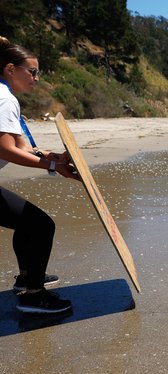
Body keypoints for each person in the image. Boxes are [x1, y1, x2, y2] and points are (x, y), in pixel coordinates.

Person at [0, 36, 78, 313]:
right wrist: (53, 167)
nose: (36, 78)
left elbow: (23, 147)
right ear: (11, 69)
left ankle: (26, 278)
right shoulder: (4, 99)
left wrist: (51, 157)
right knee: (41, 226)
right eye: (32, 72)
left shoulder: (5, 96)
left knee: (28, 224)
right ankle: (33, 295)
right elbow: (7, 150)